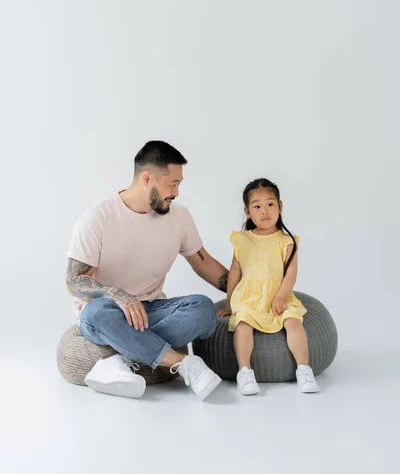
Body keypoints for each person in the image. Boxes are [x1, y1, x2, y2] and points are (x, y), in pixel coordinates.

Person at [66, 140, 228, 401]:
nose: (176, 192)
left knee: (203, 309)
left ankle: (120, 357)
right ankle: (184, 364)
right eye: (172, 184)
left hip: (152, 310)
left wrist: (248, 291)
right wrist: (117, 295)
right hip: (108, 312)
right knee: (96, 313)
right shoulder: (97, 216)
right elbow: (74, 281)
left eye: (179, 184)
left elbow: (204, 262)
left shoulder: (180, 217)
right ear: (147, 178)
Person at [217, 178, 319, 395]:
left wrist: (281, 297)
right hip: (250, 297)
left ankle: (303, 369)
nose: (265, 211)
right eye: (257, 206)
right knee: (243, 323)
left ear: (280, 207)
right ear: (247, 212)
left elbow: (290, 273)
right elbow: (235, 271)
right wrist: (230, 303)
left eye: (270, 204)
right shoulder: (242, 240)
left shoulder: (286, 241)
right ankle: (245, 372)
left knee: (292, 321)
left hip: (277, 295)